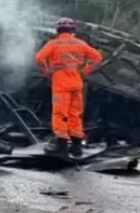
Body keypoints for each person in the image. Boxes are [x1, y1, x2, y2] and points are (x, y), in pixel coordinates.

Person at [34, 17, 102, 157]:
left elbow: (39, 58)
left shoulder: (53, 44)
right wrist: (84, 71)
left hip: (61, 83)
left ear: (58, 30)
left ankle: (61, 145)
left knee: (60, 113)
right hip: (76, 83)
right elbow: (97, 57)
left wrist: (47, 72)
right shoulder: (80, 43)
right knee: (75, 113)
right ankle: (77, 147)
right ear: (72, 30)